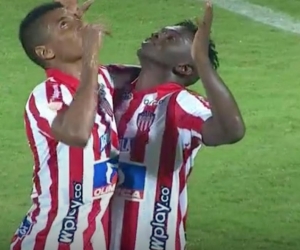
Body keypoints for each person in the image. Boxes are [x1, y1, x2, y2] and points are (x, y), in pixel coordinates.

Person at [110, 2, 245, 250]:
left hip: (151, 241)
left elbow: (232, 130)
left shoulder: (179, 103)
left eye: (170, 38)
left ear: (184, 67)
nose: (158, 35)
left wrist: (202, 61)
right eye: (161, 31)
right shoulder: (115, 87)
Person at [10, 2, 118, 250]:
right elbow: (77, 134)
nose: (80, 24)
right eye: (64, 25)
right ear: (46, 52)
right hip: (51, 238)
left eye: (75, 19)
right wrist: (90, 55)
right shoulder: (45, 96)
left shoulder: (103, 78)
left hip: (92, 238)